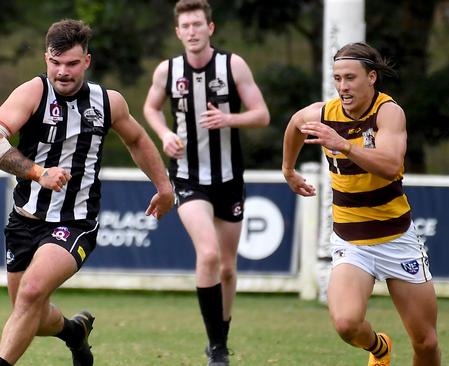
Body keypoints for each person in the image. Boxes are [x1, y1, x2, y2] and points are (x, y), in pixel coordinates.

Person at [0, 19, 174, 366]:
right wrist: (39, 172)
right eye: (55, 63)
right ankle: (73, 332)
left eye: (71, 63)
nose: (62, 72)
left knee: (32, 292)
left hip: (75, 221)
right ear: (46, 59)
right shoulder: (32, 93)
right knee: (31, 315)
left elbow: (138, 140)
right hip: (24, 219)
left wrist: (164, 186)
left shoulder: (107, 102)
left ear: (86, 61)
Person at [282, 42, 441, 366]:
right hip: (352, 242)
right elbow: (296, 123)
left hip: (397, 240)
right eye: (337, 78)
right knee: (345, 324)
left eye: (350, 78)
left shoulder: (388, 112)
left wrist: (343, 145)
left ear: (371, 77)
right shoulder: (323, 113)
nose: (342, 86)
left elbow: (390, 165)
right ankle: (380, 348)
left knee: (425, 342)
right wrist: (288, 169)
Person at [143, 1, 269, 364]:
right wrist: (165, 133)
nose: (193, 31)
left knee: (227, 267)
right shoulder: (168, 71)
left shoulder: (233, 65)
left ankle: (220, 337)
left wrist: (229, 120)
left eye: (199, 24)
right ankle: (217, 350)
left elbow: (262, 115)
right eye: (186, 26)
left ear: (210, 28)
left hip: (229, 178)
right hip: (187, 176)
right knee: (209, 254)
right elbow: (151, 107)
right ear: (178, 32)